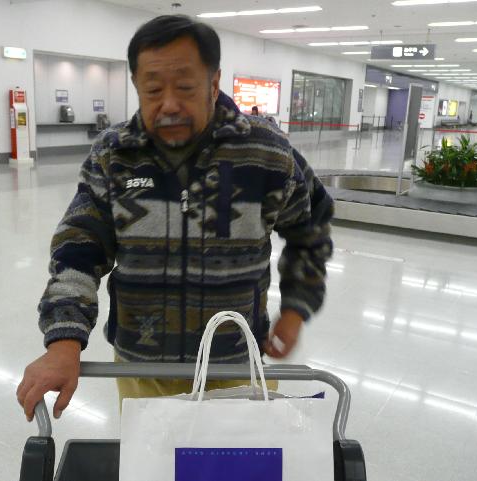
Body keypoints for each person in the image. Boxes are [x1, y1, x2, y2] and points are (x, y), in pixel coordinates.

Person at [17, 14, 334, 421]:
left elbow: (311, 228)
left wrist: (295, 309)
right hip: (142, 369)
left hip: (236, 365)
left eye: (185, 87)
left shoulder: (266, 153)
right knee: (151, 454)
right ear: (136, 86)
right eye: (152, 90)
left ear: (214, 83)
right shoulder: (115, 156)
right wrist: (64, 341)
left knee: (239, 455)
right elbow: (79, 250)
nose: (168, 104)